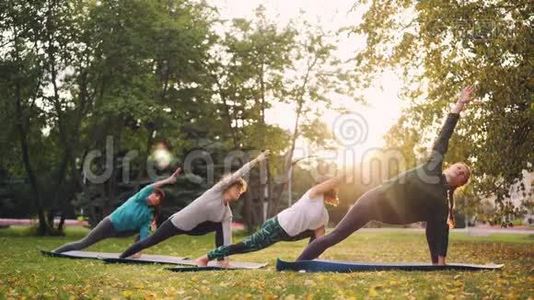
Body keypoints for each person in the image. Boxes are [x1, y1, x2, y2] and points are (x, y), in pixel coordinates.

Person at [297, 86, 475, 265]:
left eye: (464, 174)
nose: (460, 170)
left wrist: (439, 262)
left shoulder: (442, 203)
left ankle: (435, 262)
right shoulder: (432, 168)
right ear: (449, 167)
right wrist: (459, 104)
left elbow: (438, 232)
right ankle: (298, 262)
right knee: (336, 236)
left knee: (436, 220)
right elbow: (444, 135)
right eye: (459, 167)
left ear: (461, 183)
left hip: (391, 213)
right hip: (373, 201)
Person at [119, 151, 270, 263]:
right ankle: (122, 256)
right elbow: (238, 173)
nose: (239, 193)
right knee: (150, 241)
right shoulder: (215, 191)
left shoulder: (226, 213)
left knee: (220, 226)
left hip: (195, 228)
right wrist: (257, 160)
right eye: (237, 189)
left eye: (241, 192)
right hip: (177, 222)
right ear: (228, 187)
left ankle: (220, 259)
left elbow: (227, 237)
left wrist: (227, 257)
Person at [195, 174, 347, 267]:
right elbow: (332, 182)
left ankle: (309, 260)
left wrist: (318, 258)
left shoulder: (323, 216)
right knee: (246, 246)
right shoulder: (312, 194)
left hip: (290, 234)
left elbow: (319, 240)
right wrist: (347, 174)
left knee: (320, 234)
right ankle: (205, 258)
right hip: (277, 226)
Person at [53, 168, 181, 254]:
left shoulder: (147, 215)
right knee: (83, 243)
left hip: (121, 232)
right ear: (150, 194)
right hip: (109, 224)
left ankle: (133, 253)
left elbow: (143, 236)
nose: (156, 197)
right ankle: (55, 252)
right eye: (155, 194)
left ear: (158, 203)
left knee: (145, 230)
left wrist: (139, 250)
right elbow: (150, 186)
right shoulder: (139, 198)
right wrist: (168, 180)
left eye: (159, 198)